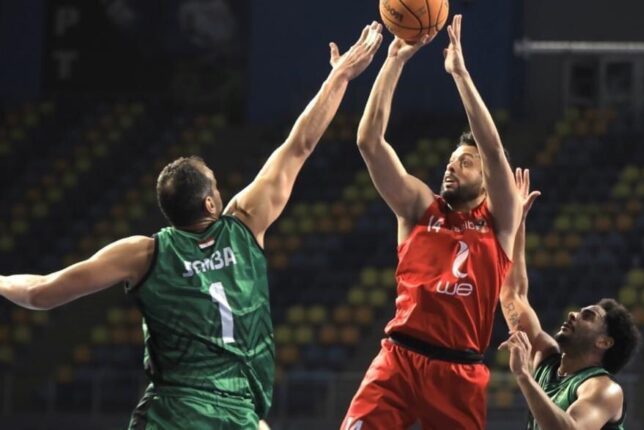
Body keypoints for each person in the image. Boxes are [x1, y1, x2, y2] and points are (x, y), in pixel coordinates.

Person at [0, 22, 384, 430]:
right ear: (210, 203)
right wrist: (340, 76)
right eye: (216, 184)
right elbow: (300, 144)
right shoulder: (244, 224)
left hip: (173, 414)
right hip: (238, 413)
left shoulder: (143, 254)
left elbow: (41, 293)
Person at [342, 15, 524, 429]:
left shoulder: (500, 222)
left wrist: (460, 75)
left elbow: (494, 151)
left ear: (486, 181)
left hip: (459, 372)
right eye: (450, 161)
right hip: (398, 360)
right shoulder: (419, 208)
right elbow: (369, 142)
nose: (451, 167)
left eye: (465, 162)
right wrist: (394, 60)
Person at [499, 169, 641, 430]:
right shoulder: (546, 359)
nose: (573, 314)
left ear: (604, 341)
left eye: (588, 316)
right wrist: (518, 221)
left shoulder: (604, 389)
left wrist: (524, 376)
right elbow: (512, 294)